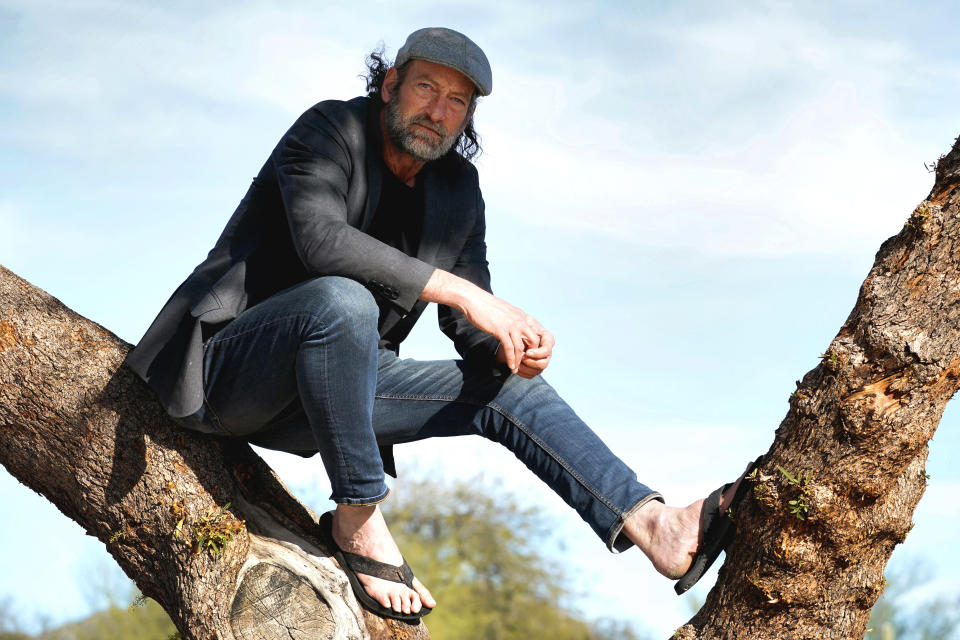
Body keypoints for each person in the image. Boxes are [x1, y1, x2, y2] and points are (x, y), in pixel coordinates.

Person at [127, 27, 753, 622]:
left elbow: (468, 319)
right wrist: (462, 292)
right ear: (391, 83)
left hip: (334, 393)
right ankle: (357, 511)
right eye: (427, 88)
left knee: (509, 392)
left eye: (458, 101)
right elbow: (321, 241)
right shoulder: (329, 129)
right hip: (230, 375)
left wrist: (509, 342)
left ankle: (654, 525)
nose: (439, 110)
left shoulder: (458, 188)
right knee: (344, 300)